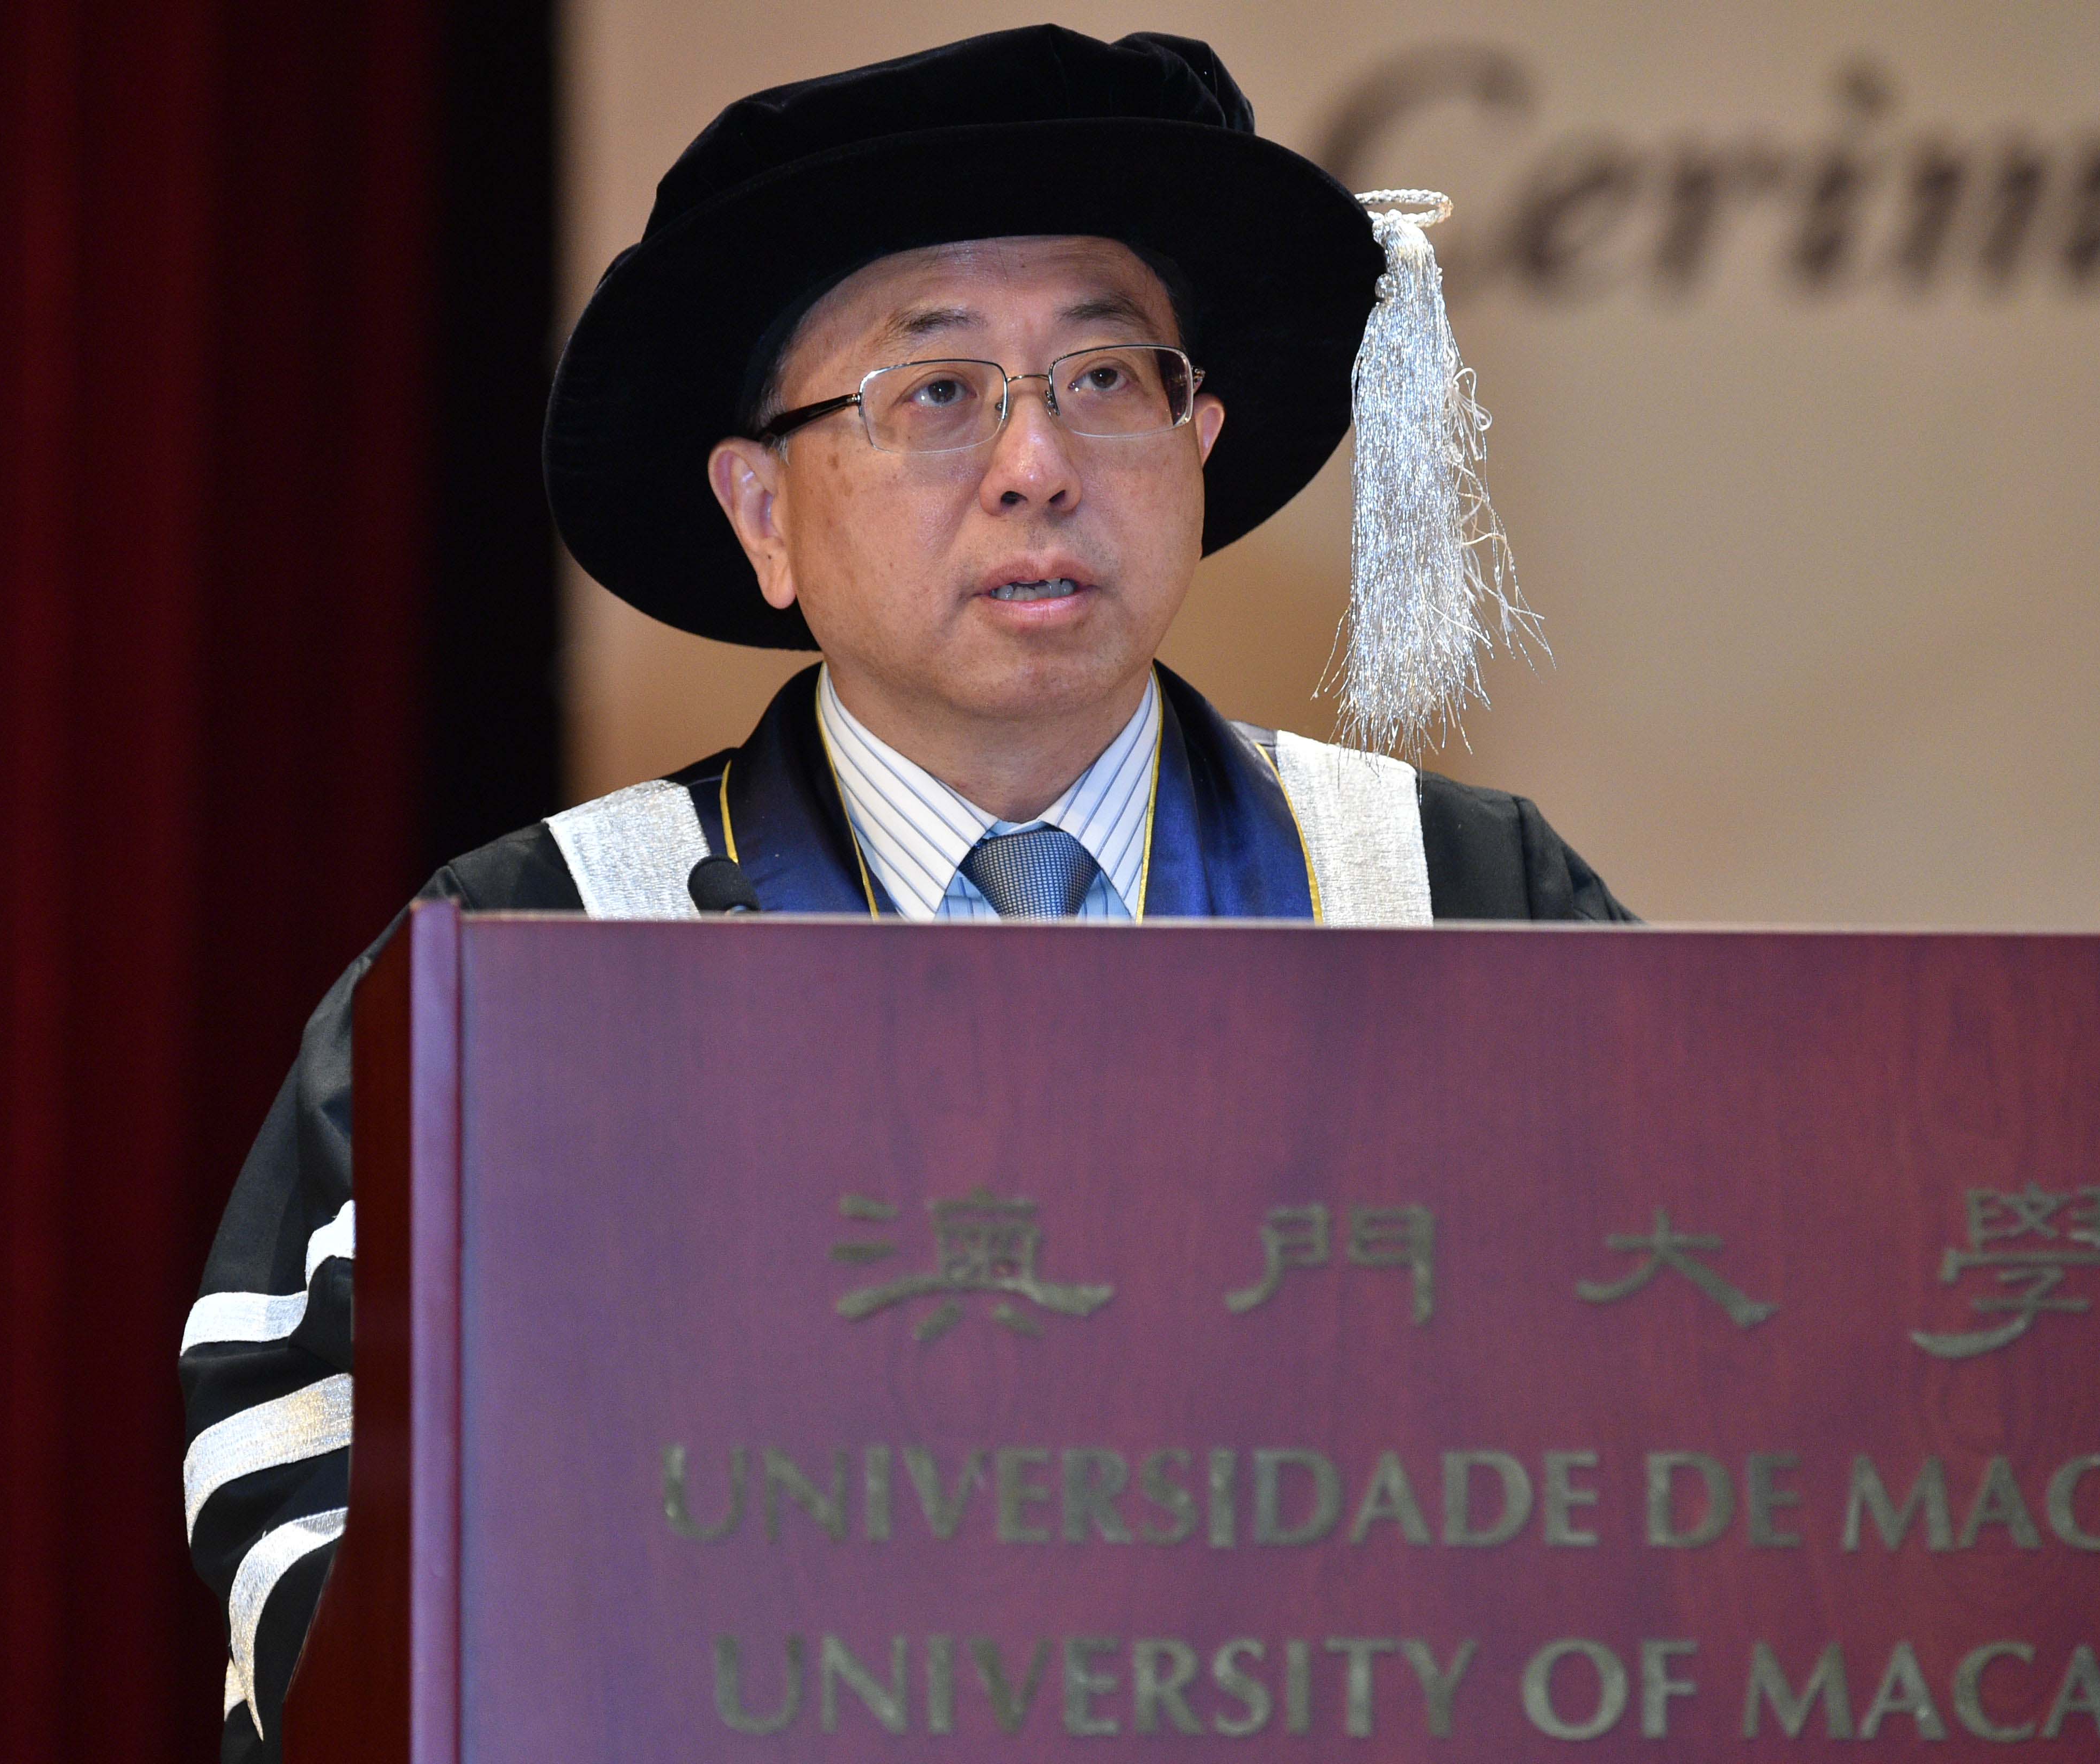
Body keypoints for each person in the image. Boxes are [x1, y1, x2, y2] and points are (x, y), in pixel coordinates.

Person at [179, 24, 1635, 1761]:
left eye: (1108, 378)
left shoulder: (1464, 910)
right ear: (762, 513)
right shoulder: (529, 966)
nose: (1038, 464)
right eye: (937, 393)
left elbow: (1674, 1433)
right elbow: (312, 1483)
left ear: (1201, 444)